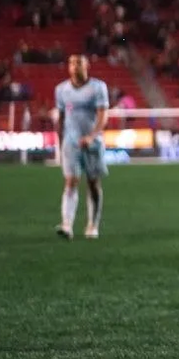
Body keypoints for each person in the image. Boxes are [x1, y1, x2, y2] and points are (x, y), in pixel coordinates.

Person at [54, 55, 108, 240]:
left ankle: (93, 225)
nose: (74, 65)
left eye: (79, 62)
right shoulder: (61, 90)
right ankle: (67, 224)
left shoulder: (98, 87)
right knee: (70, 181)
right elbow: (61, 117)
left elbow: (102, 115)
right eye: (71, 62)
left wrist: (92, 136)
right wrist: (61, 140)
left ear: (87, 65)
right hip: (71, 143)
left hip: (93, 143)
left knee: (93, 183)